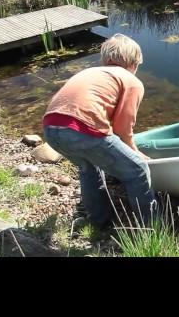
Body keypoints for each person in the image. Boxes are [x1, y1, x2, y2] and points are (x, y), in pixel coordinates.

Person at [43, 33, 156, 228]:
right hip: (80, 129)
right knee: (137, 170)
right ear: (134, 64)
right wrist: (134, 152)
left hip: (51, 128)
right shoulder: (131, 80)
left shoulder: (91, 72)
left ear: (106, 59)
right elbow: (122, 128)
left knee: (89, 168)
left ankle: (99, 221)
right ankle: (151, 225)